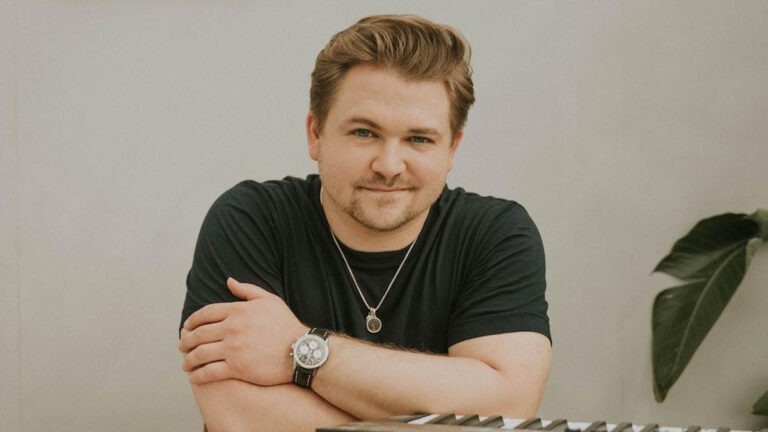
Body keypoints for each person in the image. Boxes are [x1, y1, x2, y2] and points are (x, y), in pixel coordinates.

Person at [178, 14, 551, 432]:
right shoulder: (252, 219)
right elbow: (239, 416)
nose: (389, 166)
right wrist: (444, 416)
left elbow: (510, 405)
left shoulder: (495, 234)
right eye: (364, 133)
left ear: (452, 148)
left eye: (419, 139)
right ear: (316, 133)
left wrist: (300, 348)